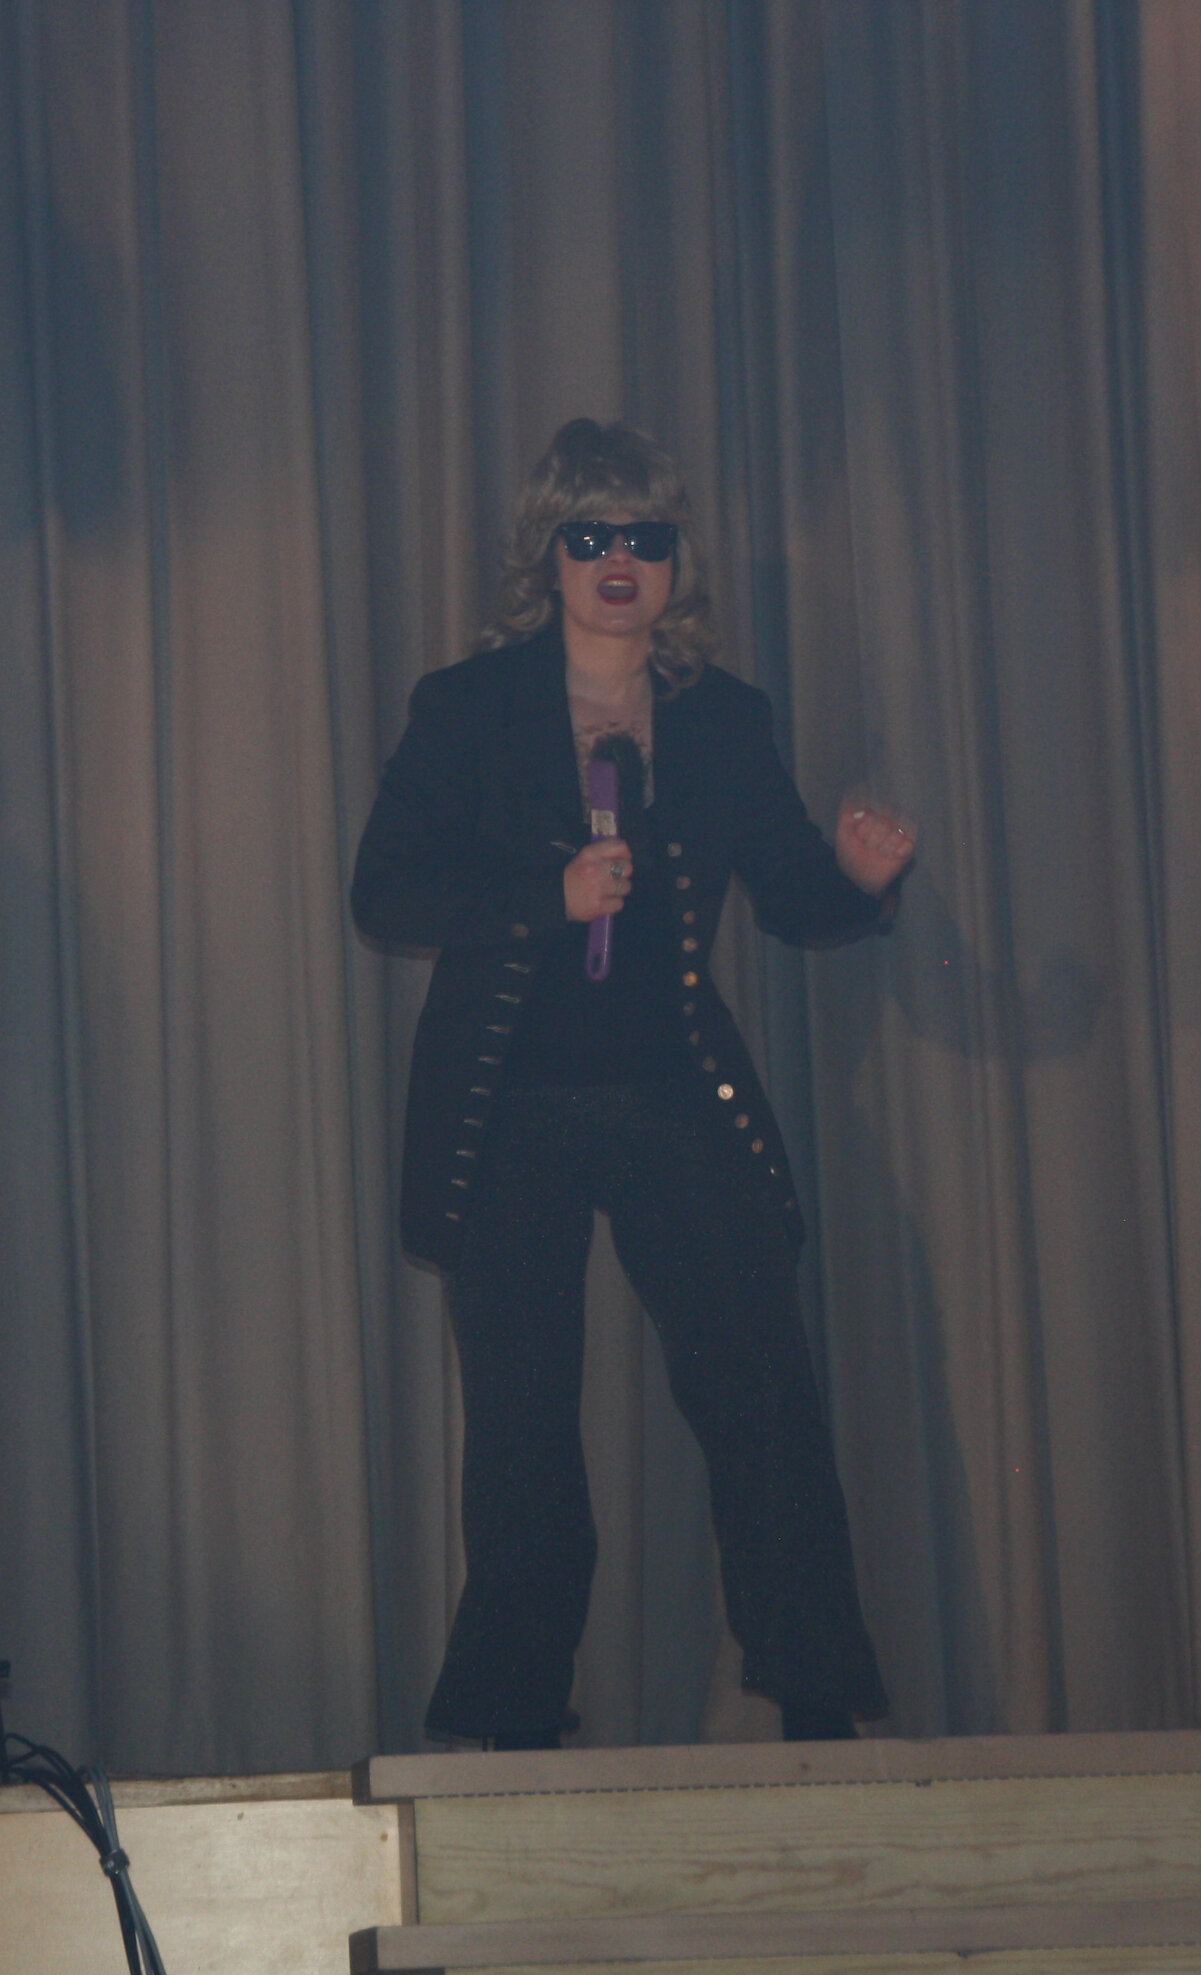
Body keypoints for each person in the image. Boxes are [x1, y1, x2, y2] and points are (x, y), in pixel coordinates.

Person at [352, 419, 918, 1748]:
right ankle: (512, 1716)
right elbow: (386, 891)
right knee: (524, 1427)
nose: (620, 559)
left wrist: (859, 881)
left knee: (761, 1393)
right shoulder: (468, 706)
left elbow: (793, 893)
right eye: (591, 534)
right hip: (508, 1102)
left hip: (672, 1085)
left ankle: (816, 1700)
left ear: (675, 563)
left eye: (645, 537)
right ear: (547, 557)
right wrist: (540, 897)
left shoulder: (722, 717)